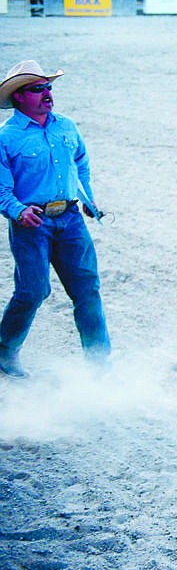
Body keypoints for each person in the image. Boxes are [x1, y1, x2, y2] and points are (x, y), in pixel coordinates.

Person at [0, 61, 110, 378]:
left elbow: (81, 163)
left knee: (87, 290)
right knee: (33, 292)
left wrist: (88, 198)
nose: (47, 94)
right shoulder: (6, 138)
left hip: (72, 218)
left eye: (48, 87)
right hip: (30, 225)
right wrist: (19, 210)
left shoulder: (67, 127)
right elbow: (1, 188)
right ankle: (5, 351)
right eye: (37, 89)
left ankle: (99, 365)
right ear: (19, 97)